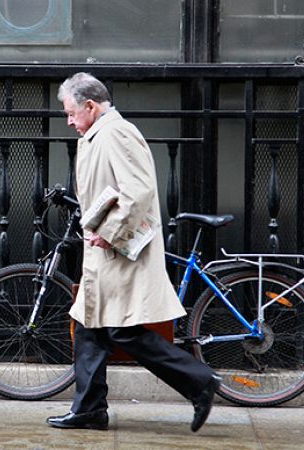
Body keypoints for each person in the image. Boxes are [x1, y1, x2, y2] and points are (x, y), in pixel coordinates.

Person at [46, 73, 220, 432]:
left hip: (119, 252)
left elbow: (138, 192)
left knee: (120, 330)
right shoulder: (99, 134)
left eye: (71, 113)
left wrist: (110, 234)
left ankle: (199, 381)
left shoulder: (117, 133)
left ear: (90, 106)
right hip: (104, 252)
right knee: (88, 325)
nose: (69, 122)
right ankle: (89, 409)